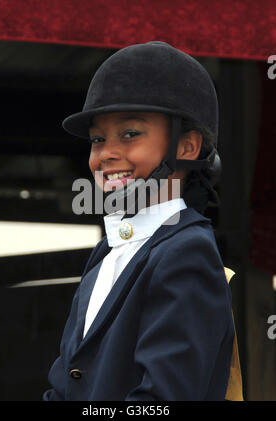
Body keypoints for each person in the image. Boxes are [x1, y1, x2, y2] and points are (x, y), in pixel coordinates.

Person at [43, 41, 243, 401]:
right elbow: (65, 385)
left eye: (130, 134)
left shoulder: (187, 253)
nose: (106, 154)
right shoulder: (108, 251)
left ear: (186, 148)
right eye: (97, 139)